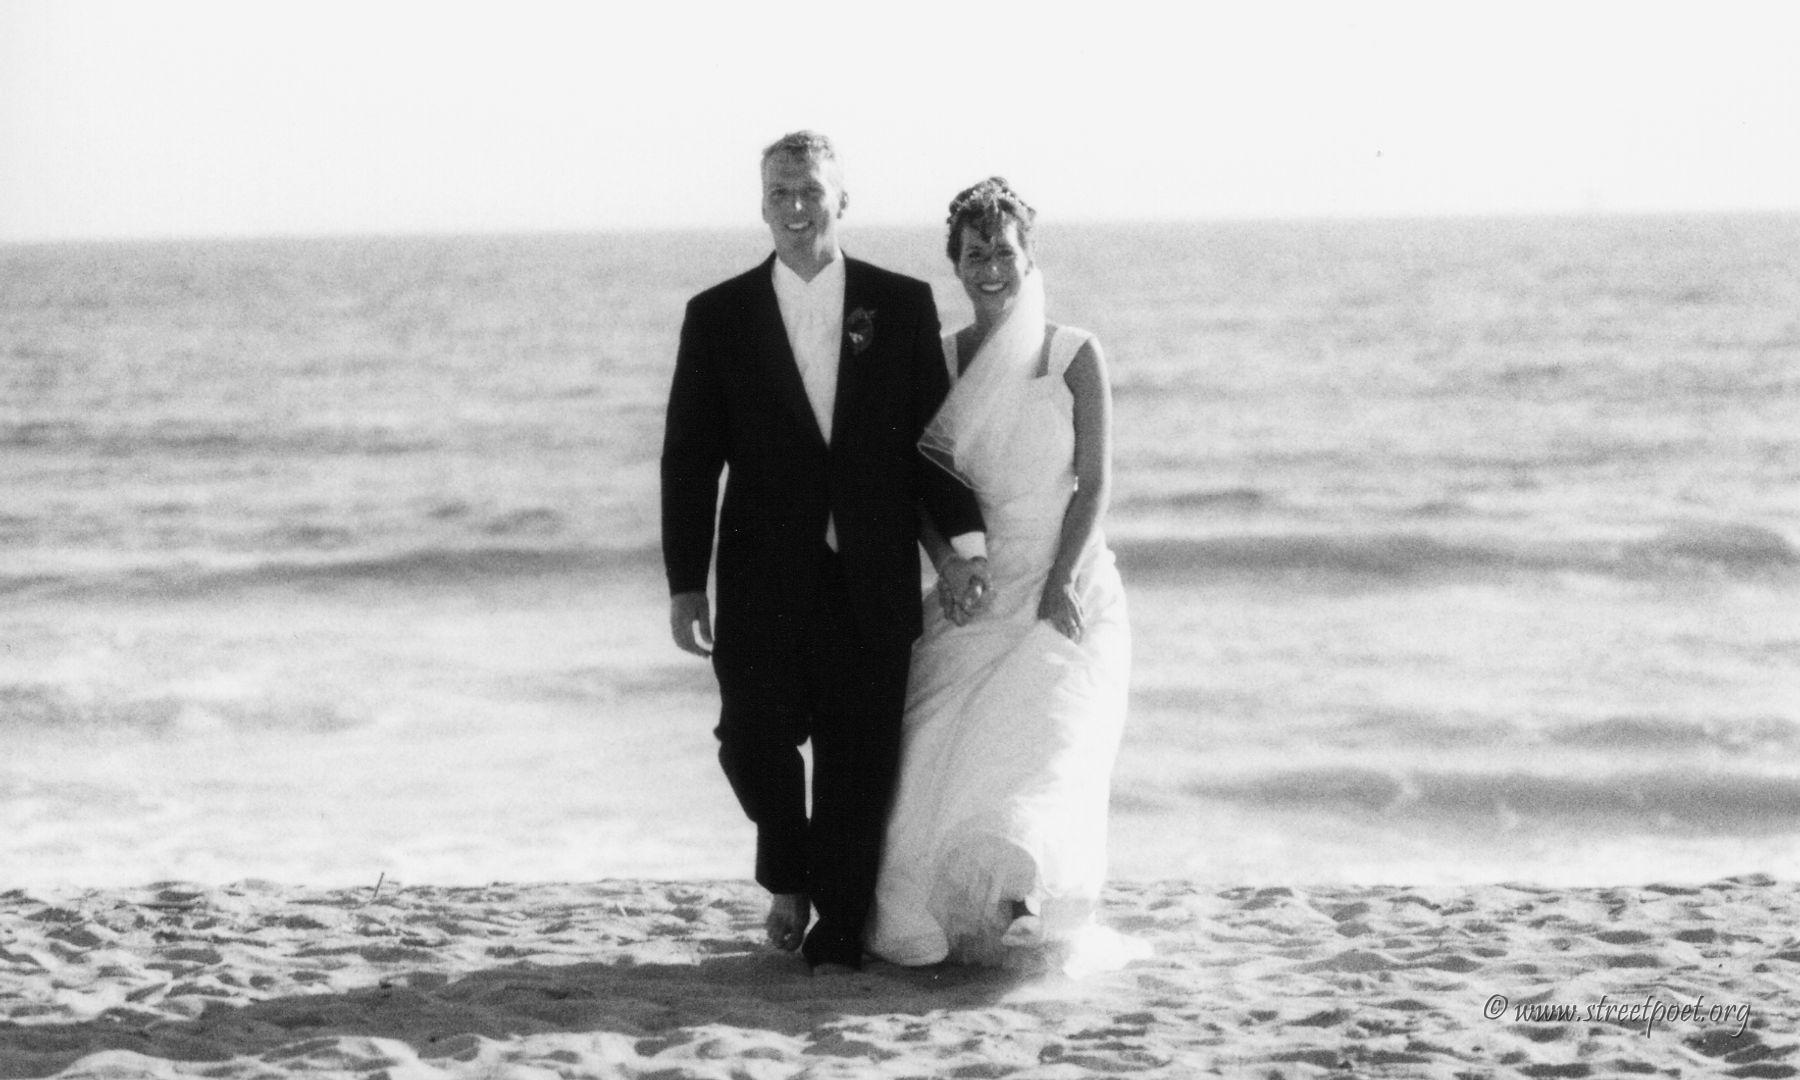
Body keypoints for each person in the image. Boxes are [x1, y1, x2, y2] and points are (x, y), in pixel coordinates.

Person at [661, 132, 989, 972]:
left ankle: (839, 928)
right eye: (780, 193)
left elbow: (933, 443)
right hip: (759, 578)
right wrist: (684, 583)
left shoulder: (901, 303)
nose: (796, 207)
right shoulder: (717, 315)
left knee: (857, 761)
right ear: (761, 204)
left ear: (842, 199)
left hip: (869, 572)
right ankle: (788, 874)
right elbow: (689, 458)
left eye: (810, 190)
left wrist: (963, 546)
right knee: (748, 738)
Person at [868, 178, 1140, 973]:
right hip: (977, 588)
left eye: (1004, 252)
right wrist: (948, 563)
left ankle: (1025, 903)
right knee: (933, 747)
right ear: (955, 263)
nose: (991, 268)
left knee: (1043, 741)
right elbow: (918, 484)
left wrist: (1062, 580)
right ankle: (955, 920)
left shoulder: (1074, 355)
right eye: (975, 254)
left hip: (1066, 577)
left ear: (1029, 256)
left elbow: (1095, 483)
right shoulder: (941, 359)